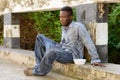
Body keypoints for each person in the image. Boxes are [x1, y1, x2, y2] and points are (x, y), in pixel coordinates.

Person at [24, 6, 104, 76]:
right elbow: (63, 43)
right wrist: (54, 47)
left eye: (64, 17)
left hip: (71, 55)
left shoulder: (78, 27)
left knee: (52, 52)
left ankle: (40, 71)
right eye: (60, 17)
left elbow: (88, 42)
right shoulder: (64, 27)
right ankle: (39, 65)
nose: (61, 19)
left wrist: (95, 58)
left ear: (71, 17)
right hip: (61, 48)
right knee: (40, 37)